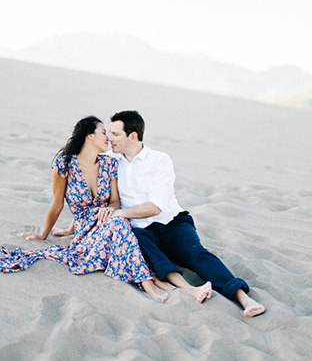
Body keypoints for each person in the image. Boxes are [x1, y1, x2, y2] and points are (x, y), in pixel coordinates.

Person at [56, 111, 265, 317]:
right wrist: (71, 228)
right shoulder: (109, 161)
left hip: (171, 222)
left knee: (195, 254)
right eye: (108, 133)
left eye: (116, 134)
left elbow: (156, 206)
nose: (110, 139)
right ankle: (186, 289)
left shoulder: (159, 160)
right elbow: (93, 200)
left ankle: (243, 297)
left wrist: (118, 213)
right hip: (139, 228)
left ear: (133, 136)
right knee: (153, 256)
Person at [0, 116, 169, 303]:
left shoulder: (109, 164)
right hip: (85, 231)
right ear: (89, 136)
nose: (108, 138)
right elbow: (57, 204)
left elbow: (114, 202)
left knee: (119, 221)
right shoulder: (64, 165)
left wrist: (111, 210)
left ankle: (148, 282)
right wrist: (43, 235)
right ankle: (148, 283)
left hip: (106, 220)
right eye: (104, 133)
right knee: (120, 224)